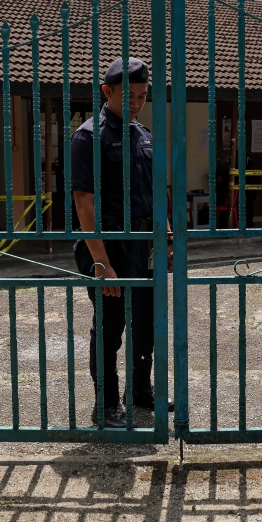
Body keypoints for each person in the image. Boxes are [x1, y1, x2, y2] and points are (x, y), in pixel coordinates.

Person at [71, 57, 174, 428]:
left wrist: (166, 236)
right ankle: (106, 405)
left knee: (146, 323)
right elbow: (84, 201)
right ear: (106, 92)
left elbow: (157, 189)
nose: (135, 102)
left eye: (142, 95)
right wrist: (101, 261)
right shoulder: (88, 136)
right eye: (128, 95)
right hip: (109, 245)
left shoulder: (142, 134)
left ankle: (141, 391)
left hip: (145, 245)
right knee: (111, 328)